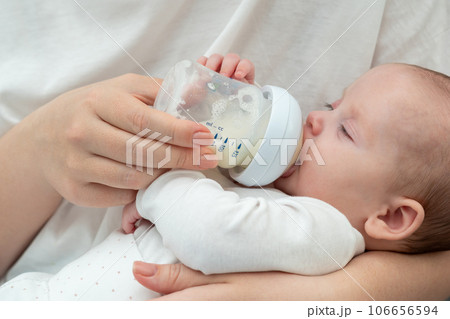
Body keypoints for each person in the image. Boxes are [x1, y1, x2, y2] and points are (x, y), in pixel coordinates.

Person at [1, 0, 449, 301]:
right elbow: (232, 200)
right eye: (333, 105)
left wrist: (160, 183)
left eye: (346, 130)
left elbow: (210, 232)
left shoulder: (326, 235)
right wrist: (229, 113)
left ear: (391, 218)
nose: (315, 118)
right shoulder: (293, 209)